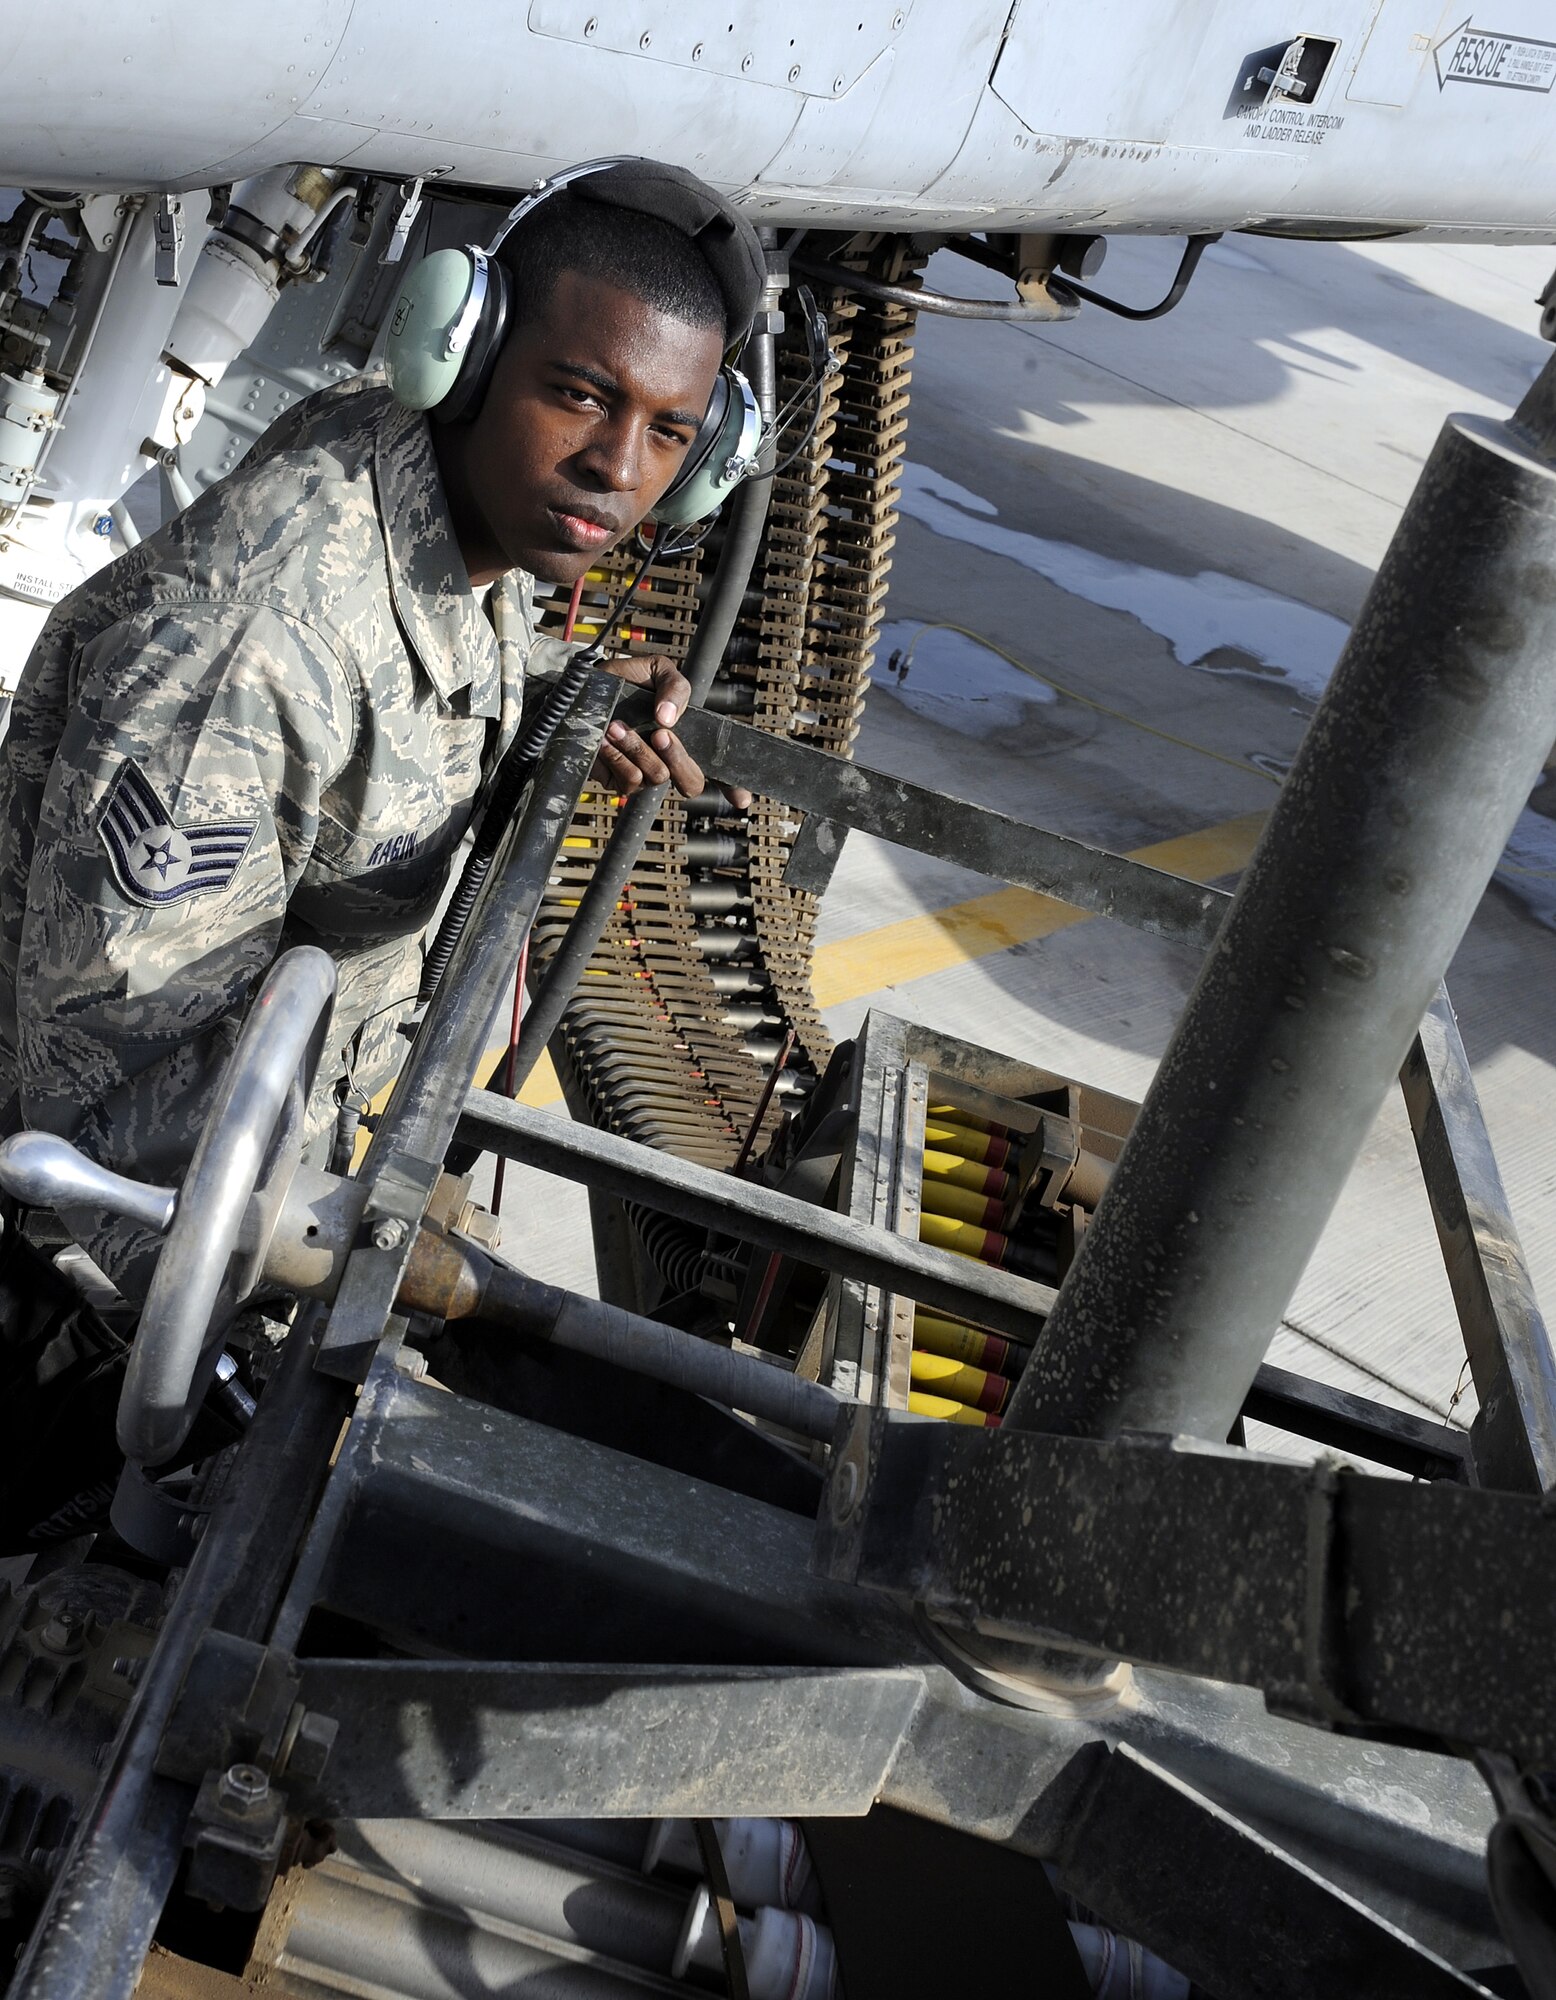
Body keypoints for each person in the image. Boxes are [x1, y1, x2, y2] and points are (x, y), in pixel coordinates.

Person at [0, 161, 765, 1544]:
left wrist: (550, 705)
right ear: (457, 357)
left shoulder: (440, 510)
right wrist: (279, 1366)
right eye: (580, 395)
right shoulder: (260, 649)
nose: (618, 470)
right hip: (85, 1328)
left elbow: (406, 696)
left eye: (670, 432)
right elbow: (88, 1106)